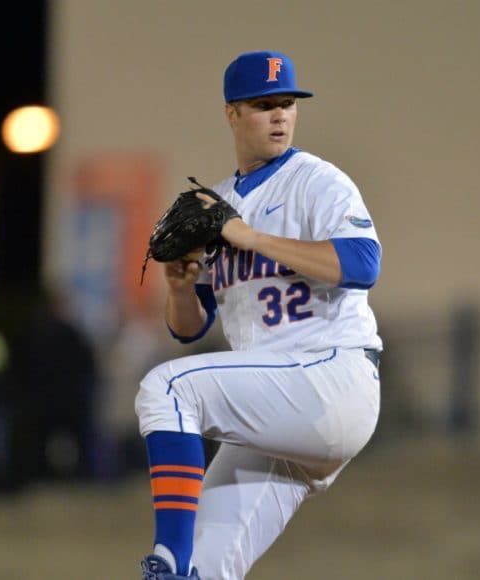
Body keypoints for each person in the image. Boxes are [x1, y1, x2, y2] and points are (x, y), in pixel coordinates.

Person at [136, 51, 382, 580]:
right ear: (232, 113)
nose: (280, 115)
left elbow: (364, 264)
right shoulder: (217, 205)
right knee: (211, 567)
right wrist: (179, 287)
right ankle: (186, 571)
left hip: (331, 376)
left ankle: (168, 562)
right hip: (275, 413)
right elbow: (190, 328)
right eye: (263, 105)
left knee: (167, 390)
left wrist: (253, 239)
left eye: (287, 104)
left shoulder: (318, 182)